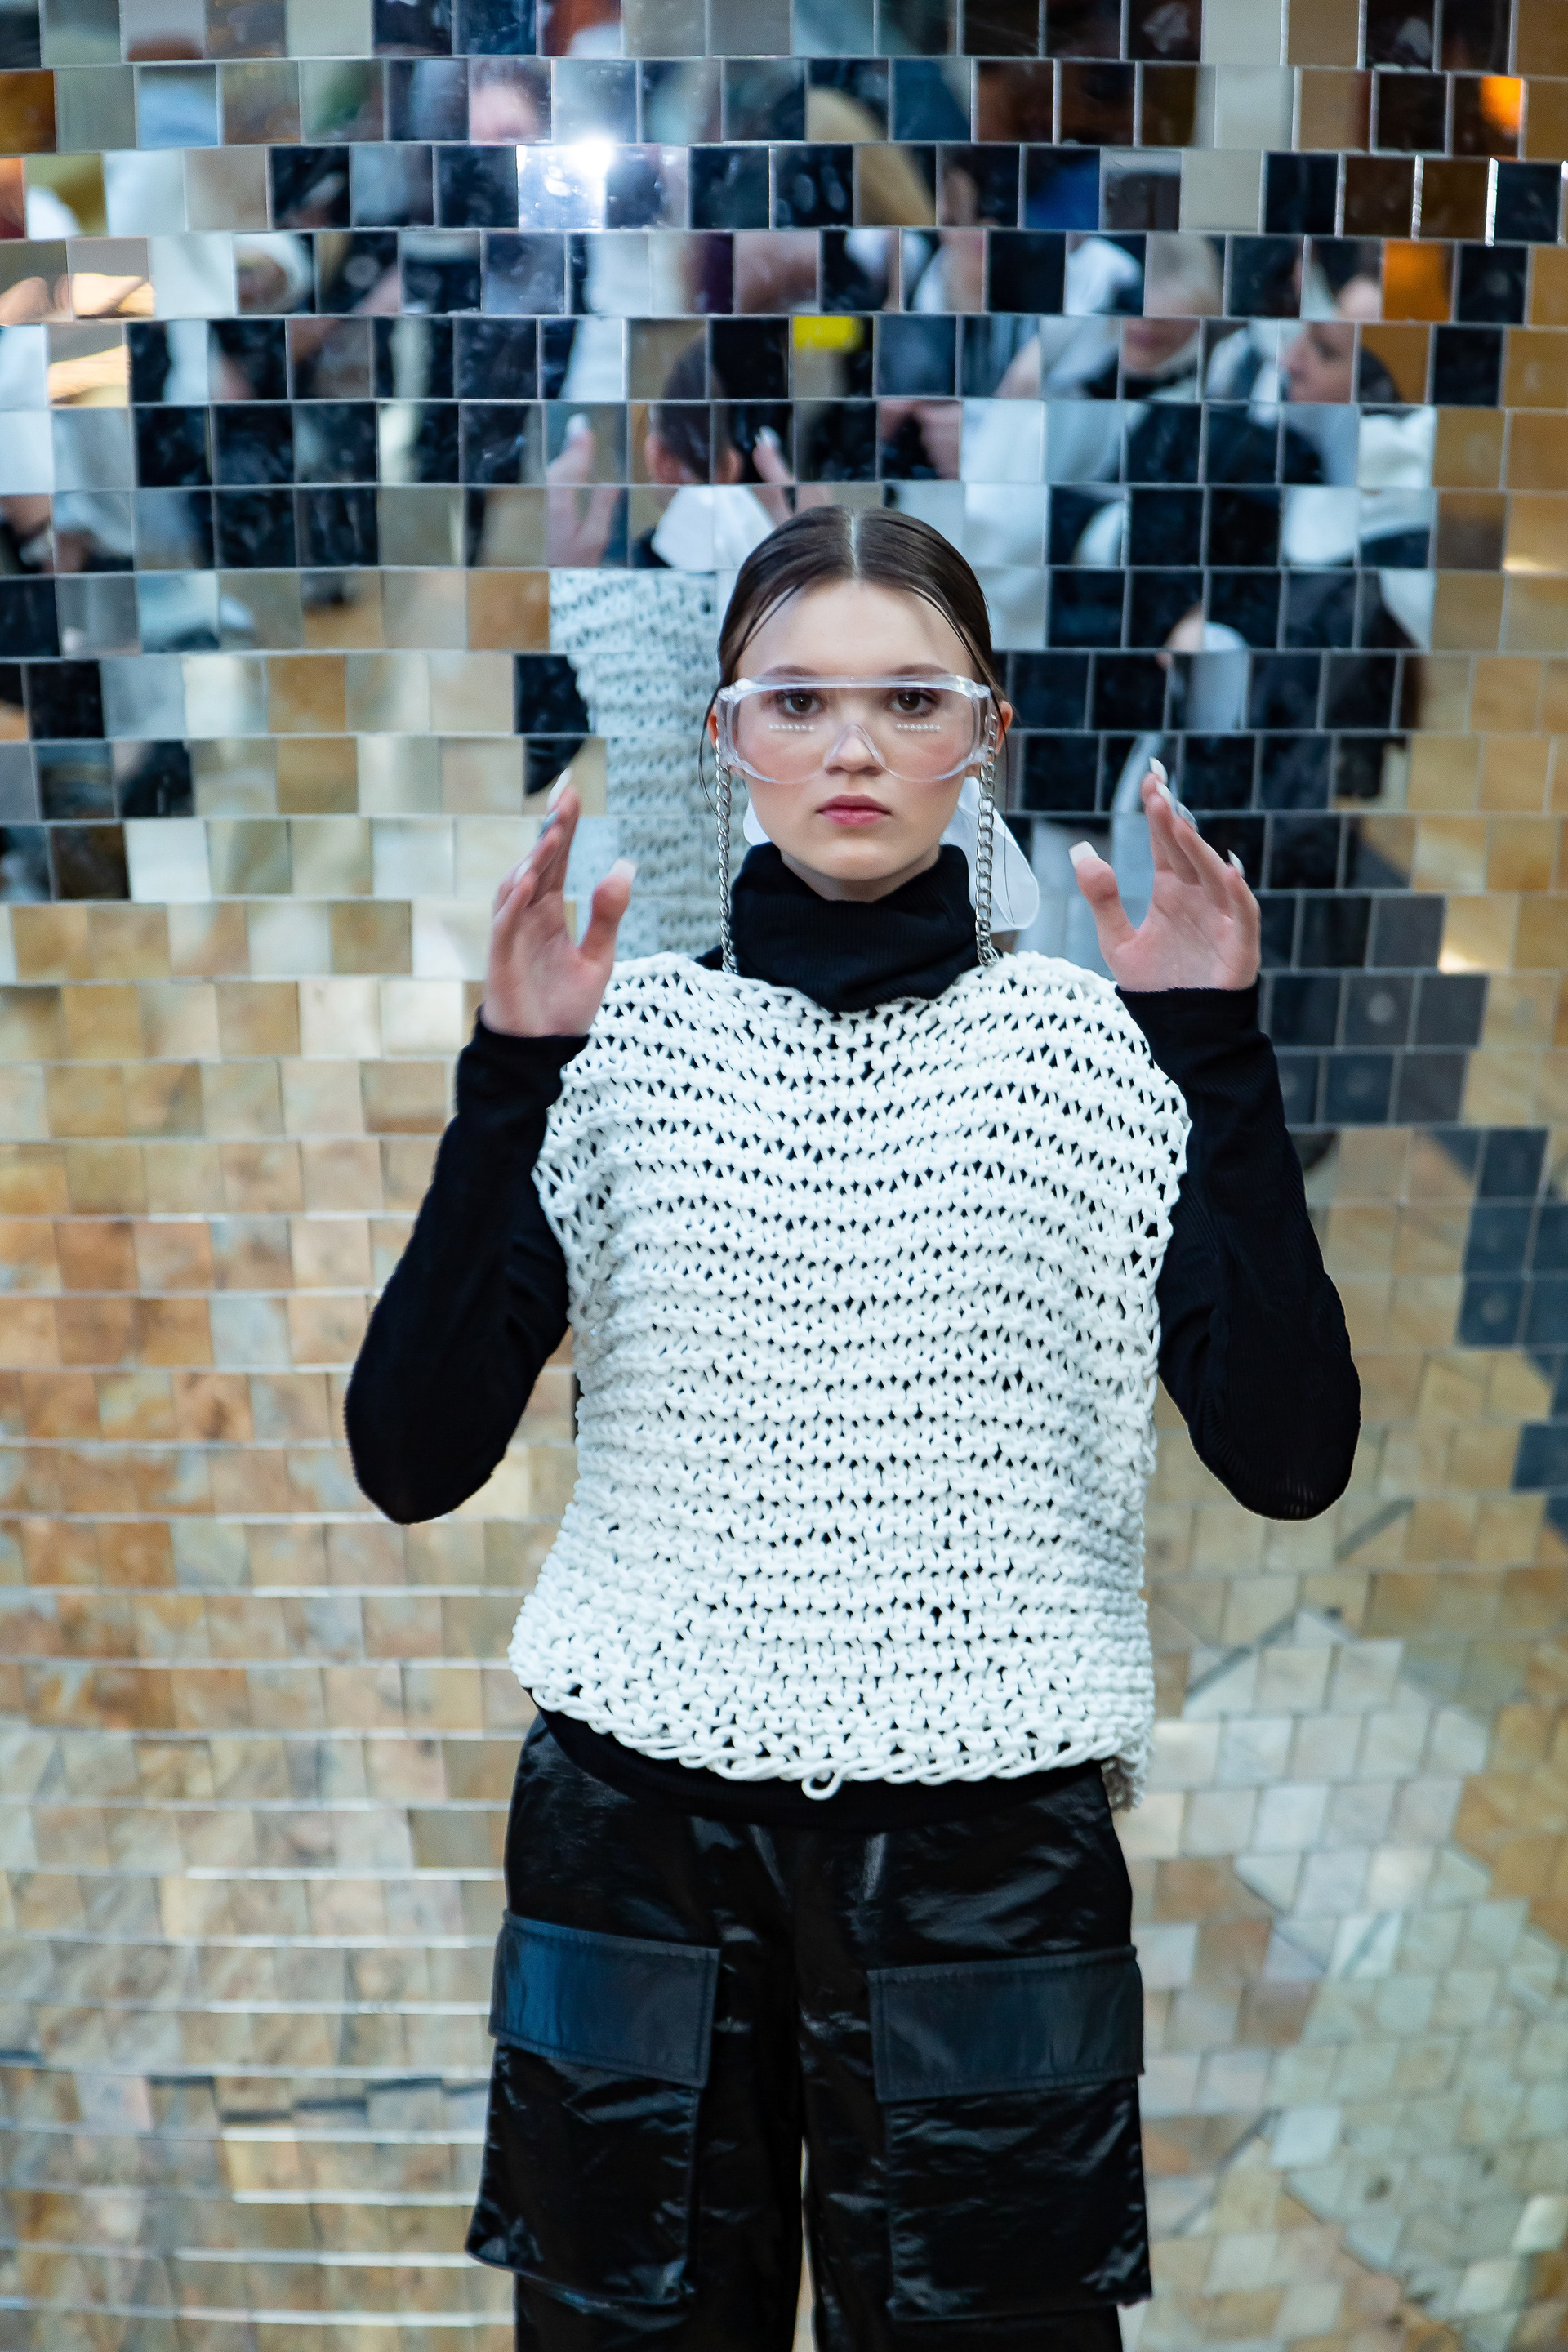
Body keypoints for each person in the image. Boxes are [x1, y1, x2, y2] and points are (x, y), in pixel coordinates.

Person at [347, 508, 1359, 2352]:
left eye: (909, 699)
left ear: (984, 734)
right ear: (726, 736)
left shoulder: (1091, 1062)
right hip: (635, 1851)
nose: (853, 748)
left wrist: (1217, 1054)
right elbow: (411, 1457)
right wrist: (508, 1080)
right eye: (798, 701)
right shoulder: (619, 1051)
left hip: (990, 1864)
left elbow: (1291, 1458)